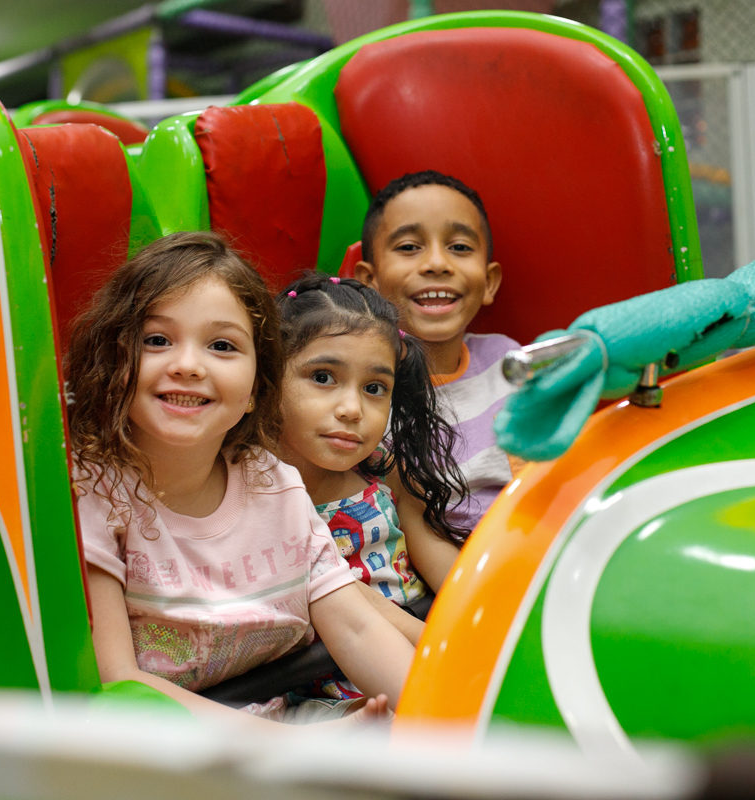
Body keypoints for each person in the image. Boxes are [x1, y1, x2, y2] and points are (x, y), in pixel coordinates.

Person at [66, 232, 414, 724]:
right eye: (158, 340)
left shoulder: (274, 485)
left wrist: (447, 720)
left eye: (222, 346)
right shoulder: (95, 491)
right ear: (114, 359)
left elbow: (357, 628)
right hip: (162, 748)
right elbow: (119, 681)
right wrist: (297, 751)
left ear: (257, 386)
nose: (187, 365)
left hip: (286, 722)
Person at [276, 274, 469, 647]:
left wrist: (487, 625)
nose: (352, 409)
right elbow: (348, 606)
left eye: (374, 388)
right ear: (267, 376)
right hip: (336, 681)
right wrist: (443, 651)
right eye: (323, 377)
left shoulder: (381, 466)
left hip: (424, 642)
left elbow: (447, 569)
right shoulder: (252, 489)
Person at [354, 171, 522, 532]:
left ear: (489, 281)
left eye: (459, 247)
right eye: (409, 247)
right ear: (370, 281)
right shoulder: (360, 390)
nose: (436, 263)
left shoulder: (510, 362)